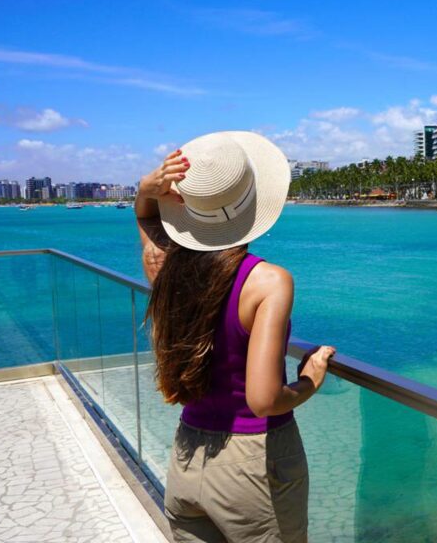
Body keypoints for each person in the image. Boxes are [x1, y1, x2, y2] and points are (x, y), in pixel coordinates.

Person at [136, 131, 335, 543]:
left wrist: (145, 192)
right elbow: (263, 400)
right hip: (254, 465)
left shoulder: (167, 271)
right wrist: (308, 382)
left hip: (187, 457)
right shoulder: (268, 282)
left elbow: (149, 225)